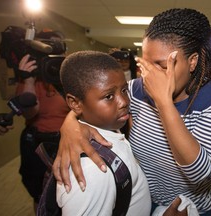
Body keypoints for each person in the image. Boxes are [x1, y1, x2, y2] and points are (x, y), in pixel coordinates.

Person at [53, 8, 211, 216]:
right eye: (146, 64)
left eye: (161, 65)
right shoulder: (136, 89)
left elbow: (200, 173)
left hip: (188, 209)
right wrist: (70, 124)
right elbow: (91, 102)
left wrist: (164, 103)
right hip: (142, 200)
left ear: (192, 61)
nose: (150, 77)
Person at [55, 50, 152, 215]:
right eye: (108, 96)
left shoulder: (109, 128)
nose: (124, 102)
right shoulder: (93, 171)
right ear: (75, 103)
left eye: (124, 90)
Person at [16, 30, 70, 213]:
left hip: (66, 142)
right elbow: (30, 113)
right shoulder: (31, 78)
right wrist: (28, 80)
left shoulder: (70, 78)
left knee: (66, 191)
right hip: (37, 144)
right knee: (39, 193)